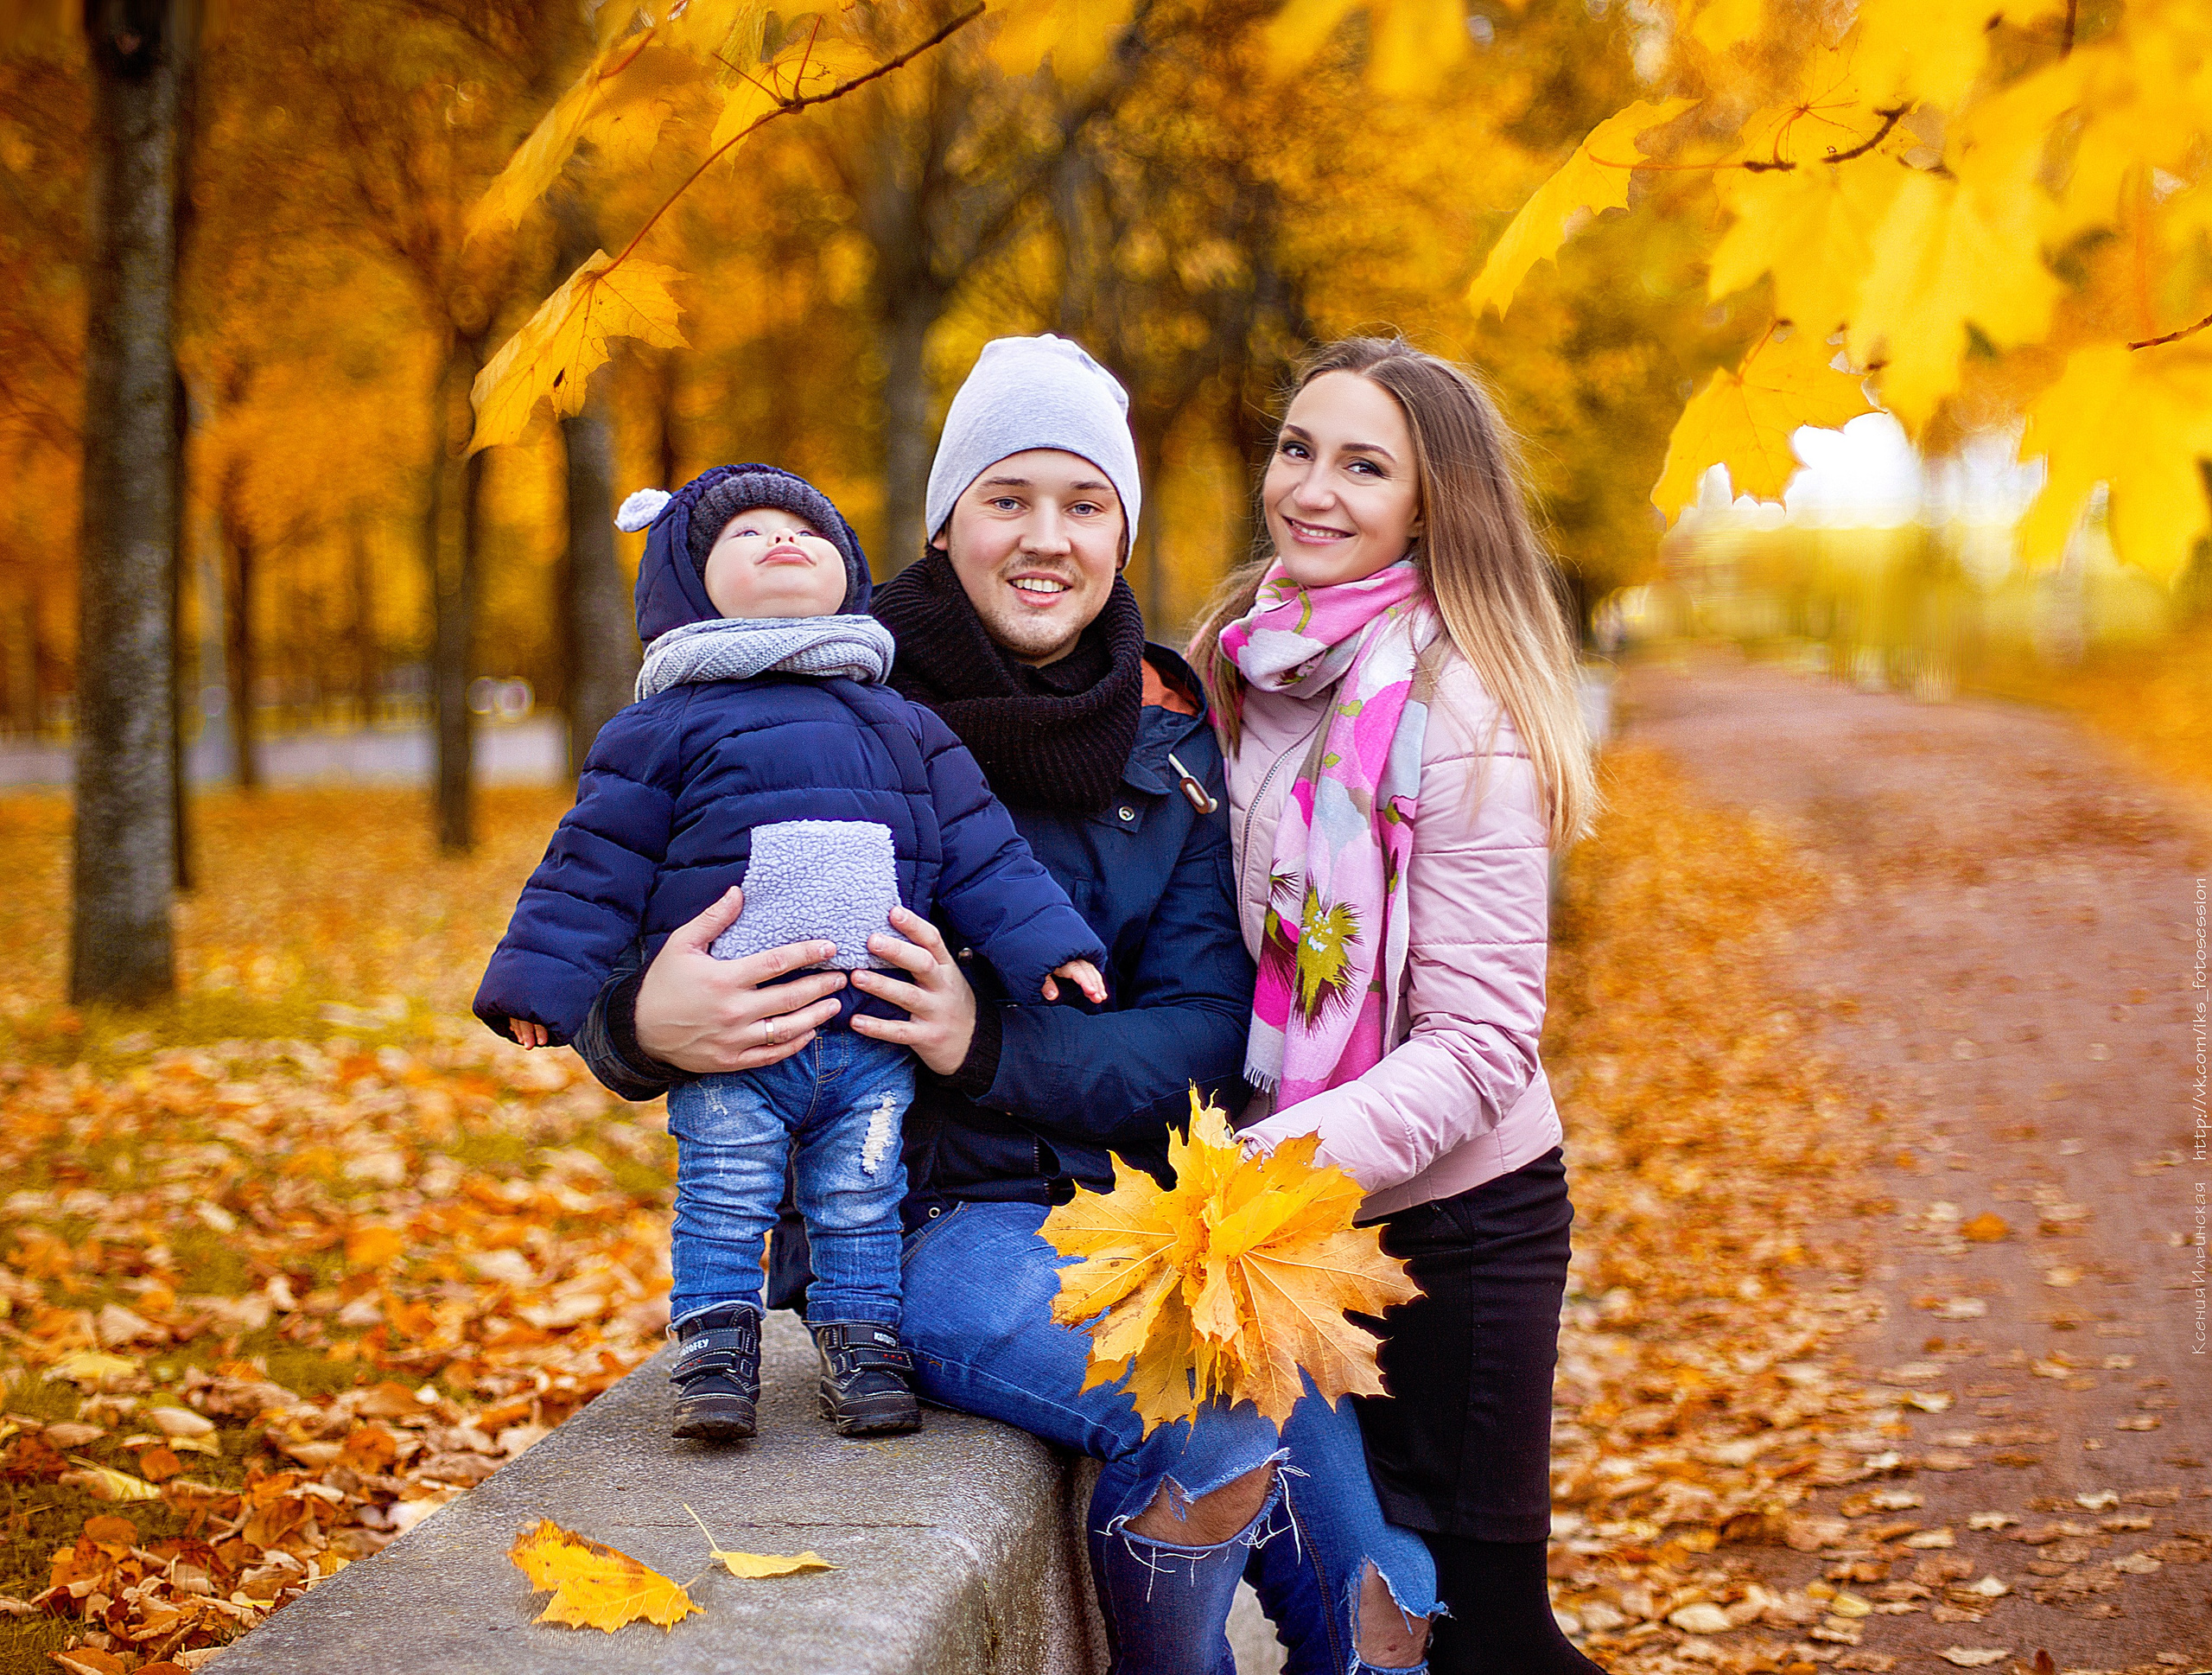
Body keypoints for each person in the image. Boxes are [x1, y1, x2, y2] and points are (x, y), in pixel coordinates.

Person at [571, 336, 1438, 1674]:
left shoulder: (1164, 728)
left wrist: (988, 1043)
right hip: (912, 1223)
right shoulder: (823, 698)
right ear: (944, 517)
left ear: (1121, 529)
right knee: (1202, 1420)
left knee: (1369, 1579)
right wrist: (643, 1022)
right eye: (1008, 498)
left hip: (1139, 1214)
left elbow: (1203, 1029)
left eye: (1085, 504)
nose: (1049, 539)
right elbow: (603, 923)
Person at [473, 462, 1107, 1443]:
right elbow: (592, 864)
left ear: (846, 572)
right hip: (735, 1035)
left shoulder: (904, 724)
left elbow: (985, 850)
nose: (781, 542)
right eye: (743, 536)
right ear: (687, 583)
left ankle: (861, 1342)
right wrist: (538, 986)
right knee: (724, 1189)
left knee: (861, 1193)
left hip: (870, 1037)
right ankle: (716, 1347)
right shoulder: (659, 729)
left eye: (806, 532)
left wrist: (1046, 944)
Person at [1191, 337, 1603, 1675]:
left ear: (1428, 505)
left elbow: (1485, 1043)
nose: (1311, 488)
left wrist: (1274, 1162)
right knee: (1378, 1605)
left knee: (1489, 1636)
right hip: (1295, 1228)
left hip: (1458, 1228)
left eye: (1364, 465)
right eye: (1297, 448)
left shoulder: (1458, 696)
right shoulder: (1240, 661)